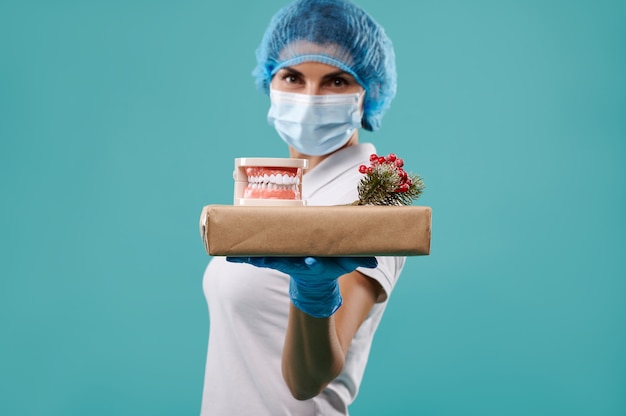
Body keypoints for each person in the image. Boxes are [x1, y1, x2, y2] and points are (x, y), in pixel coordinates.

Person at [200, 0, 404, 414]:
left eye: (336, 81)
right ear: (269, 81)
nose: (311, 98)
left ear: (368, 93)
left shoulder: (370, 193)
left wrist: (314, 291)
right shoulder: (283, 186)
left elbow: (308, 380)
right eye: (293, 77)